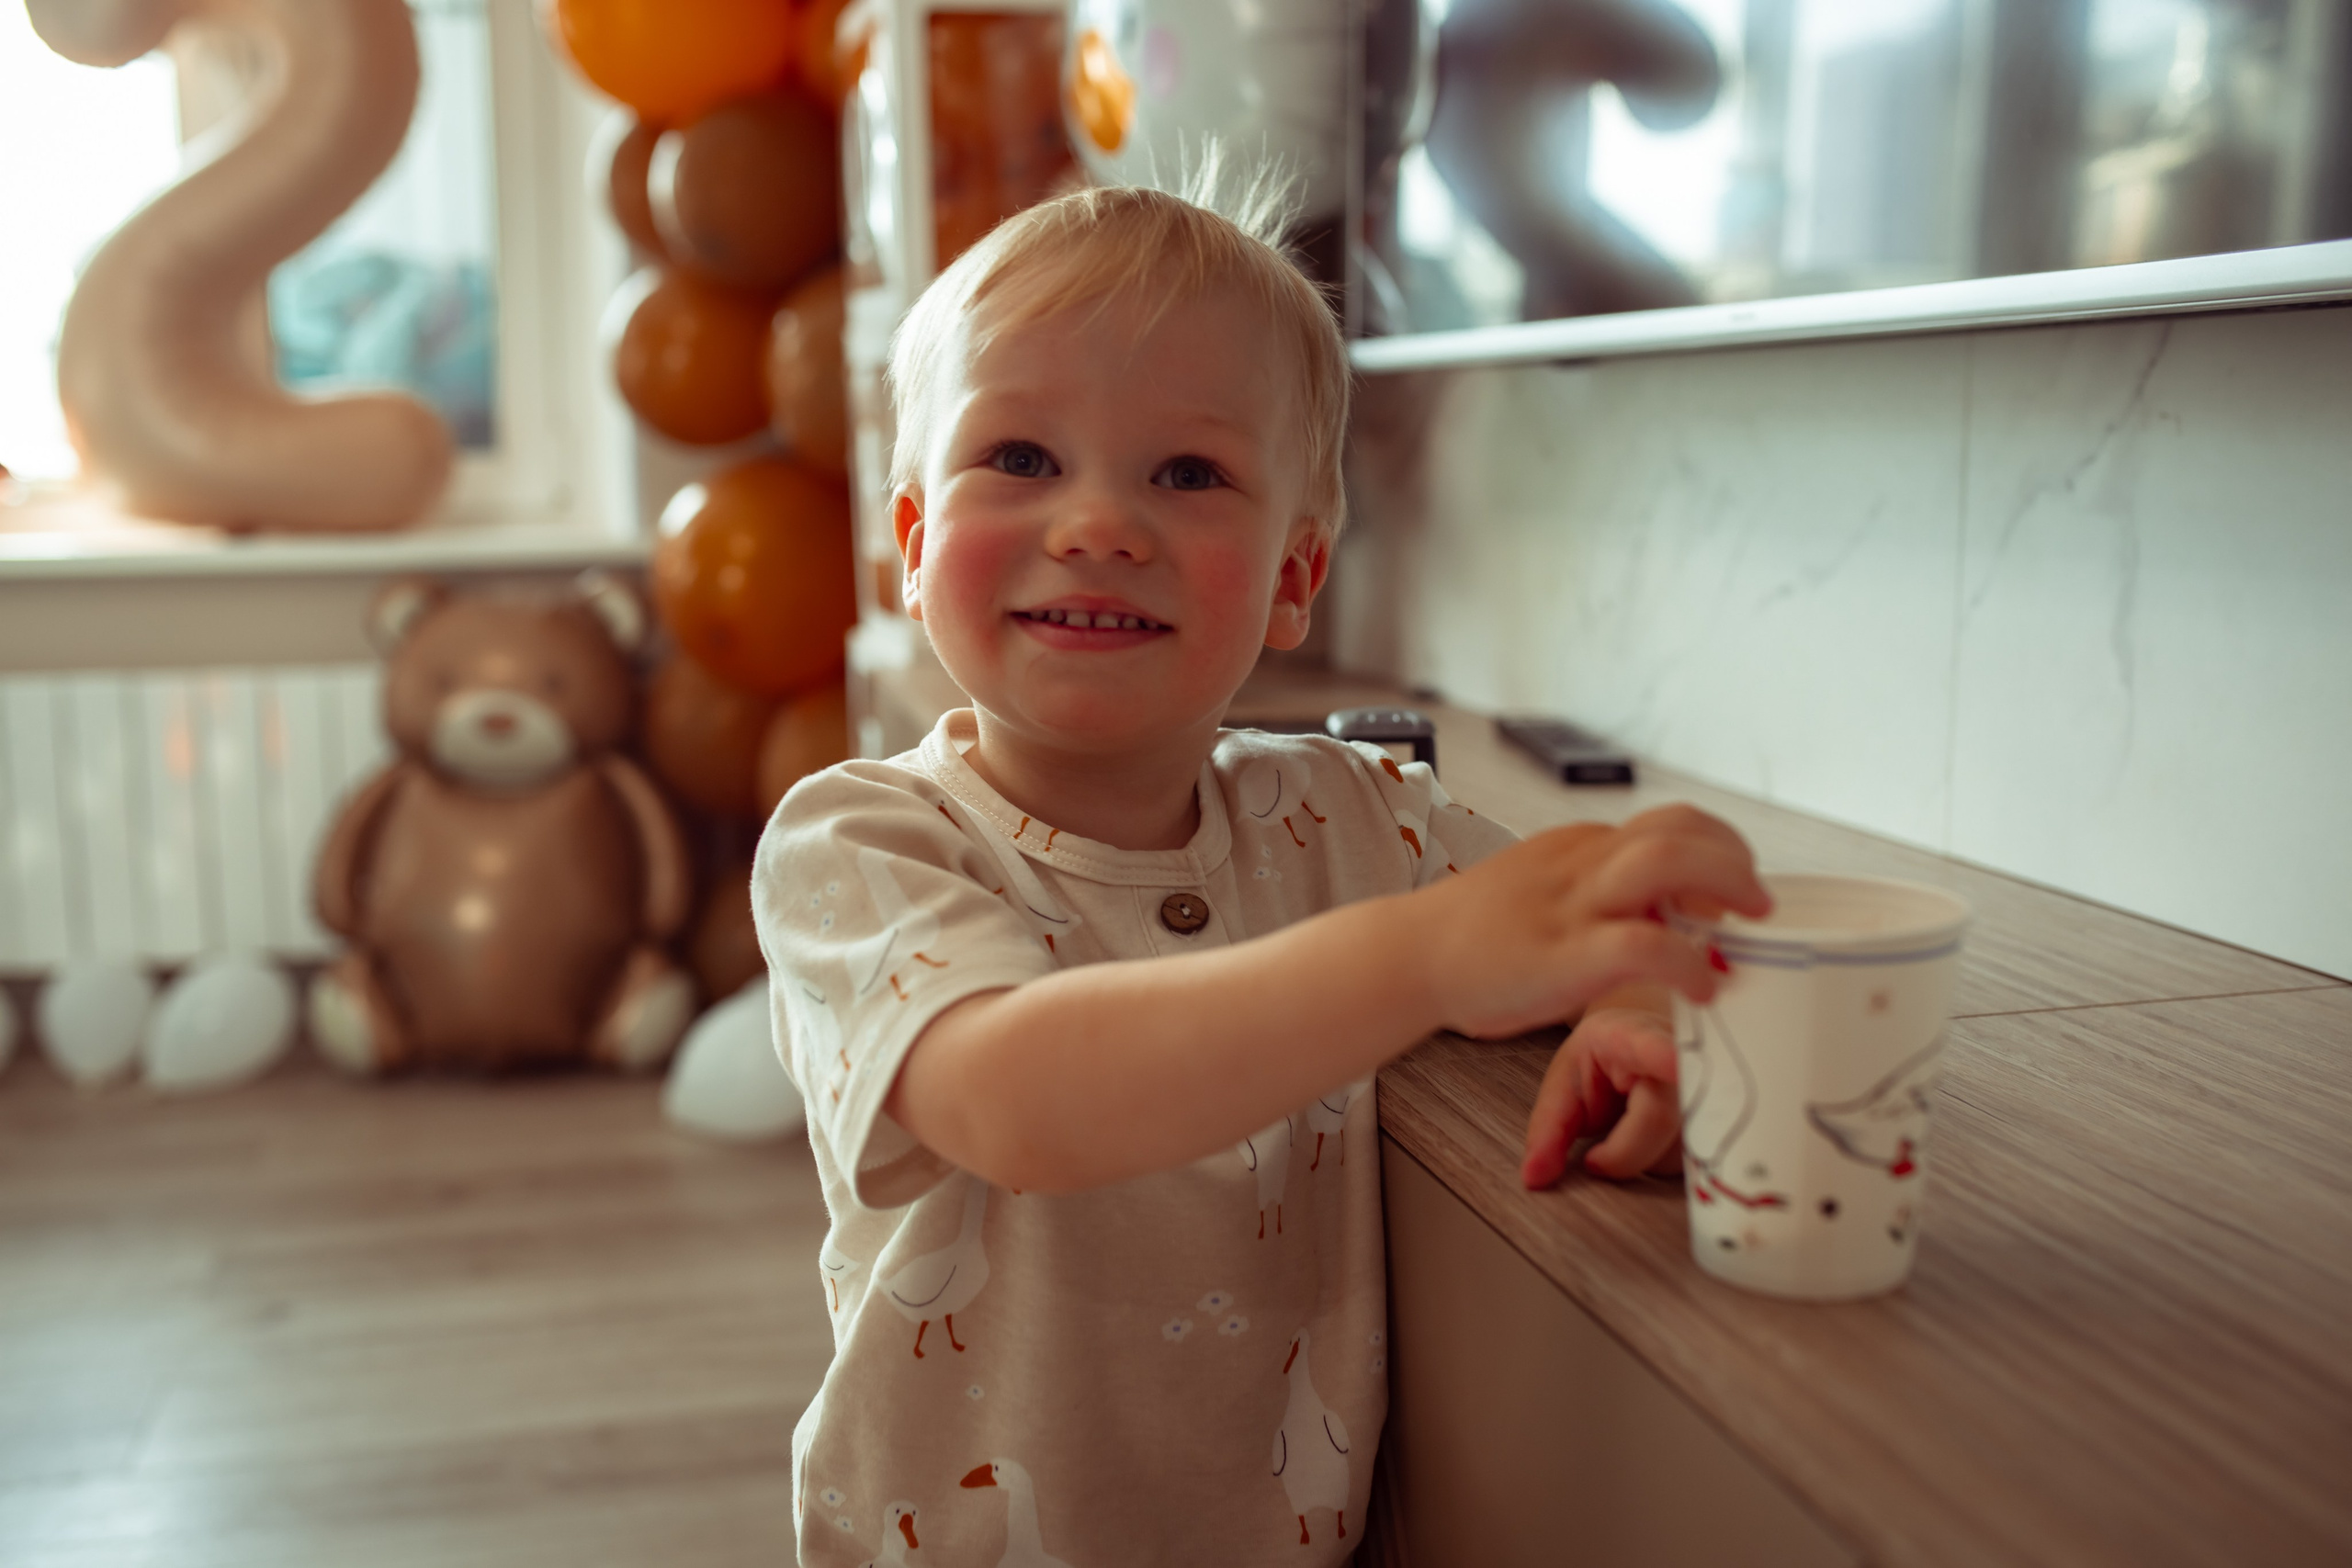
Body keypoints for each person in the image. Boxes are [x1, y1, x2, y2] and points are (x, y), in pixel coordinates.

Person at [753, 178, 1770, 1567]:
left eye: (1187, 474)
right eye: (1021, 456)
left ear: (1295, 577)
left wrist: (1634, 1006)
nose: (1098, 523)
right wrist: (1430, 958)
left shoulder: (1358, 818)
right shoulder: (859, 844)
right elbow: (1015, 1101)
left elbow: (1580, 923)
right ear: (917, 550)